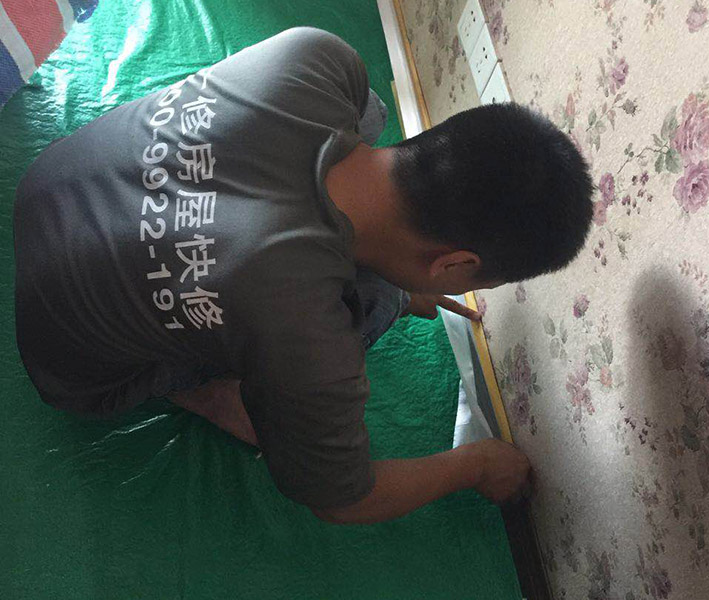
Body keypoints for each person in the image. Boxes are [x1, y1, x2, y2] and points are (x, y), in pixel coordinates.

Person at [13, 28, 593, 524]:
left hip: (50, 187)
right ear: (454, 264)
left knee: (364, 123)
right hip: (78, 372)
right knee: (373, 302)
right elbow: (345, 500)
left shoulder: (317, 55)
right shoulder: (308, 333)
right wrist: (477, 465)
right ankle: (200, 392)